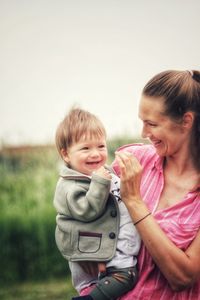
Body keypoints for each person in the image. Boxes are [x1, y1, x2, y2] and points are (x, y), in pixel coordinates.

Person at [79, 70, 200, 299]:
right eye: (142, 122)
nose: (143, 133)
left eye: (152, 124)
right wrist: (83, 241)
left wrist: (134, 201)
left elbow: (183, 277)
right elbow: (84, 201)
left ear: (186, 121)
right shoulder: (134, 160)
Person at [53, 108, 141, 300]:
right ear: (66, 154)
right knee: (126, 277)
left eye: (101, 146)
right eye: (85, 148)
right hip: (98, 255)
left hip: (114, 251)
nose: (95, 153)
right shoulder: (69, 185)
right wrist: (101, 184)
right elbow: (85, 211)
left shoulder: (107, 174)